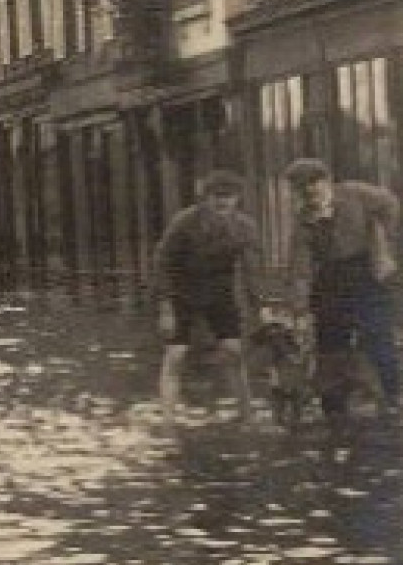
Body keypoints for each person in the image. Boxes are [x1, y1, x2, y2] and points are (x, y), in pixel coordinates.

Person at [283, 158, 400, 418]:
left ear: (327, 181)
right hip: (329, 280)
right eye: (303, 190)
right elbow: (299, 267)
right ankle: (334, 404)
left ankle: (393, 395)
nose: (311, 195)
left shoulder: (356, 193)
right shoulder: (303, 222)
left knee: (379, 335)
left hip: (365, 274)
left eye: (315, 186)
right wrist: (299, 306)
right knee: (330, 341)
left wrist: (382, 238)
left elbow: (390, 204)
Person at [153, 169, 264, 425]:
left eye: (229, 196)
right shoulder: (184, 222)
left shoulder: (245, 227)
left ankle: (246, 414)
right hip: (181, 290)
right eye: (216, 196)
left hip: (219, 290)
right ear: (205, 199)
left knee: (234, 351)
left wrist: (259, 306)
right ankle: (167, 420)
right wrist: (166, 307)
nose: (223, 202)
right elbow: (162, 262)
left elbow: (251, 271)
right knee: (176, 354)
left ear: (238, 199)